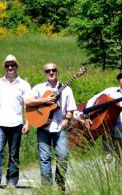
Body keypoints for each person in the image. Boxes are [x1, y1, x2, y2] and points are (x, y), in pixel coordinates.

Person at [24, 63, 77, 192]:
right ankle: (47, 188)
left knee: (63, 157)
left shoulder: (66, 89)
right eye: (48, 71)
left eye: (53, 70)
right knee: (44, 158)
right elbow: (27, 101)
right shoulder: (39, 88)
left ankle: (60, 185)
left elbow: (70, 110)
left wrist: (66, 120)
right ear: (45, 73)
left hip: (60, 127)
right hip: (43, 127)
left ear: (57, 72)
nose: (51, 72)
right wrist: (45, 100)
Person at [0, 54, 31, 188]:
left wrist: (27, 123)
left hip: (16, 123)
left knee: (14, 154)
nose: (10, 67)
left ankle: (12, 180)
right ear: (4, 67)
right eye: (7, 65)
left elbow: (27, 105)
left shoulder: (24, 85)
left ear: (17, 67)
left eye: (12, 65)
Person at [84, 67, 122, 162]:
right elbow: (93, 99)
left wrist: (116, 126)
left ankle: (119, 177)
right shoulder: (110, 91)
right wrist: (87, 114)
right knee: (107, 160)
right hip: (107, 133)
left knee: (121, 161)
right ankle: (107, 177)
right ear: (119, 80)